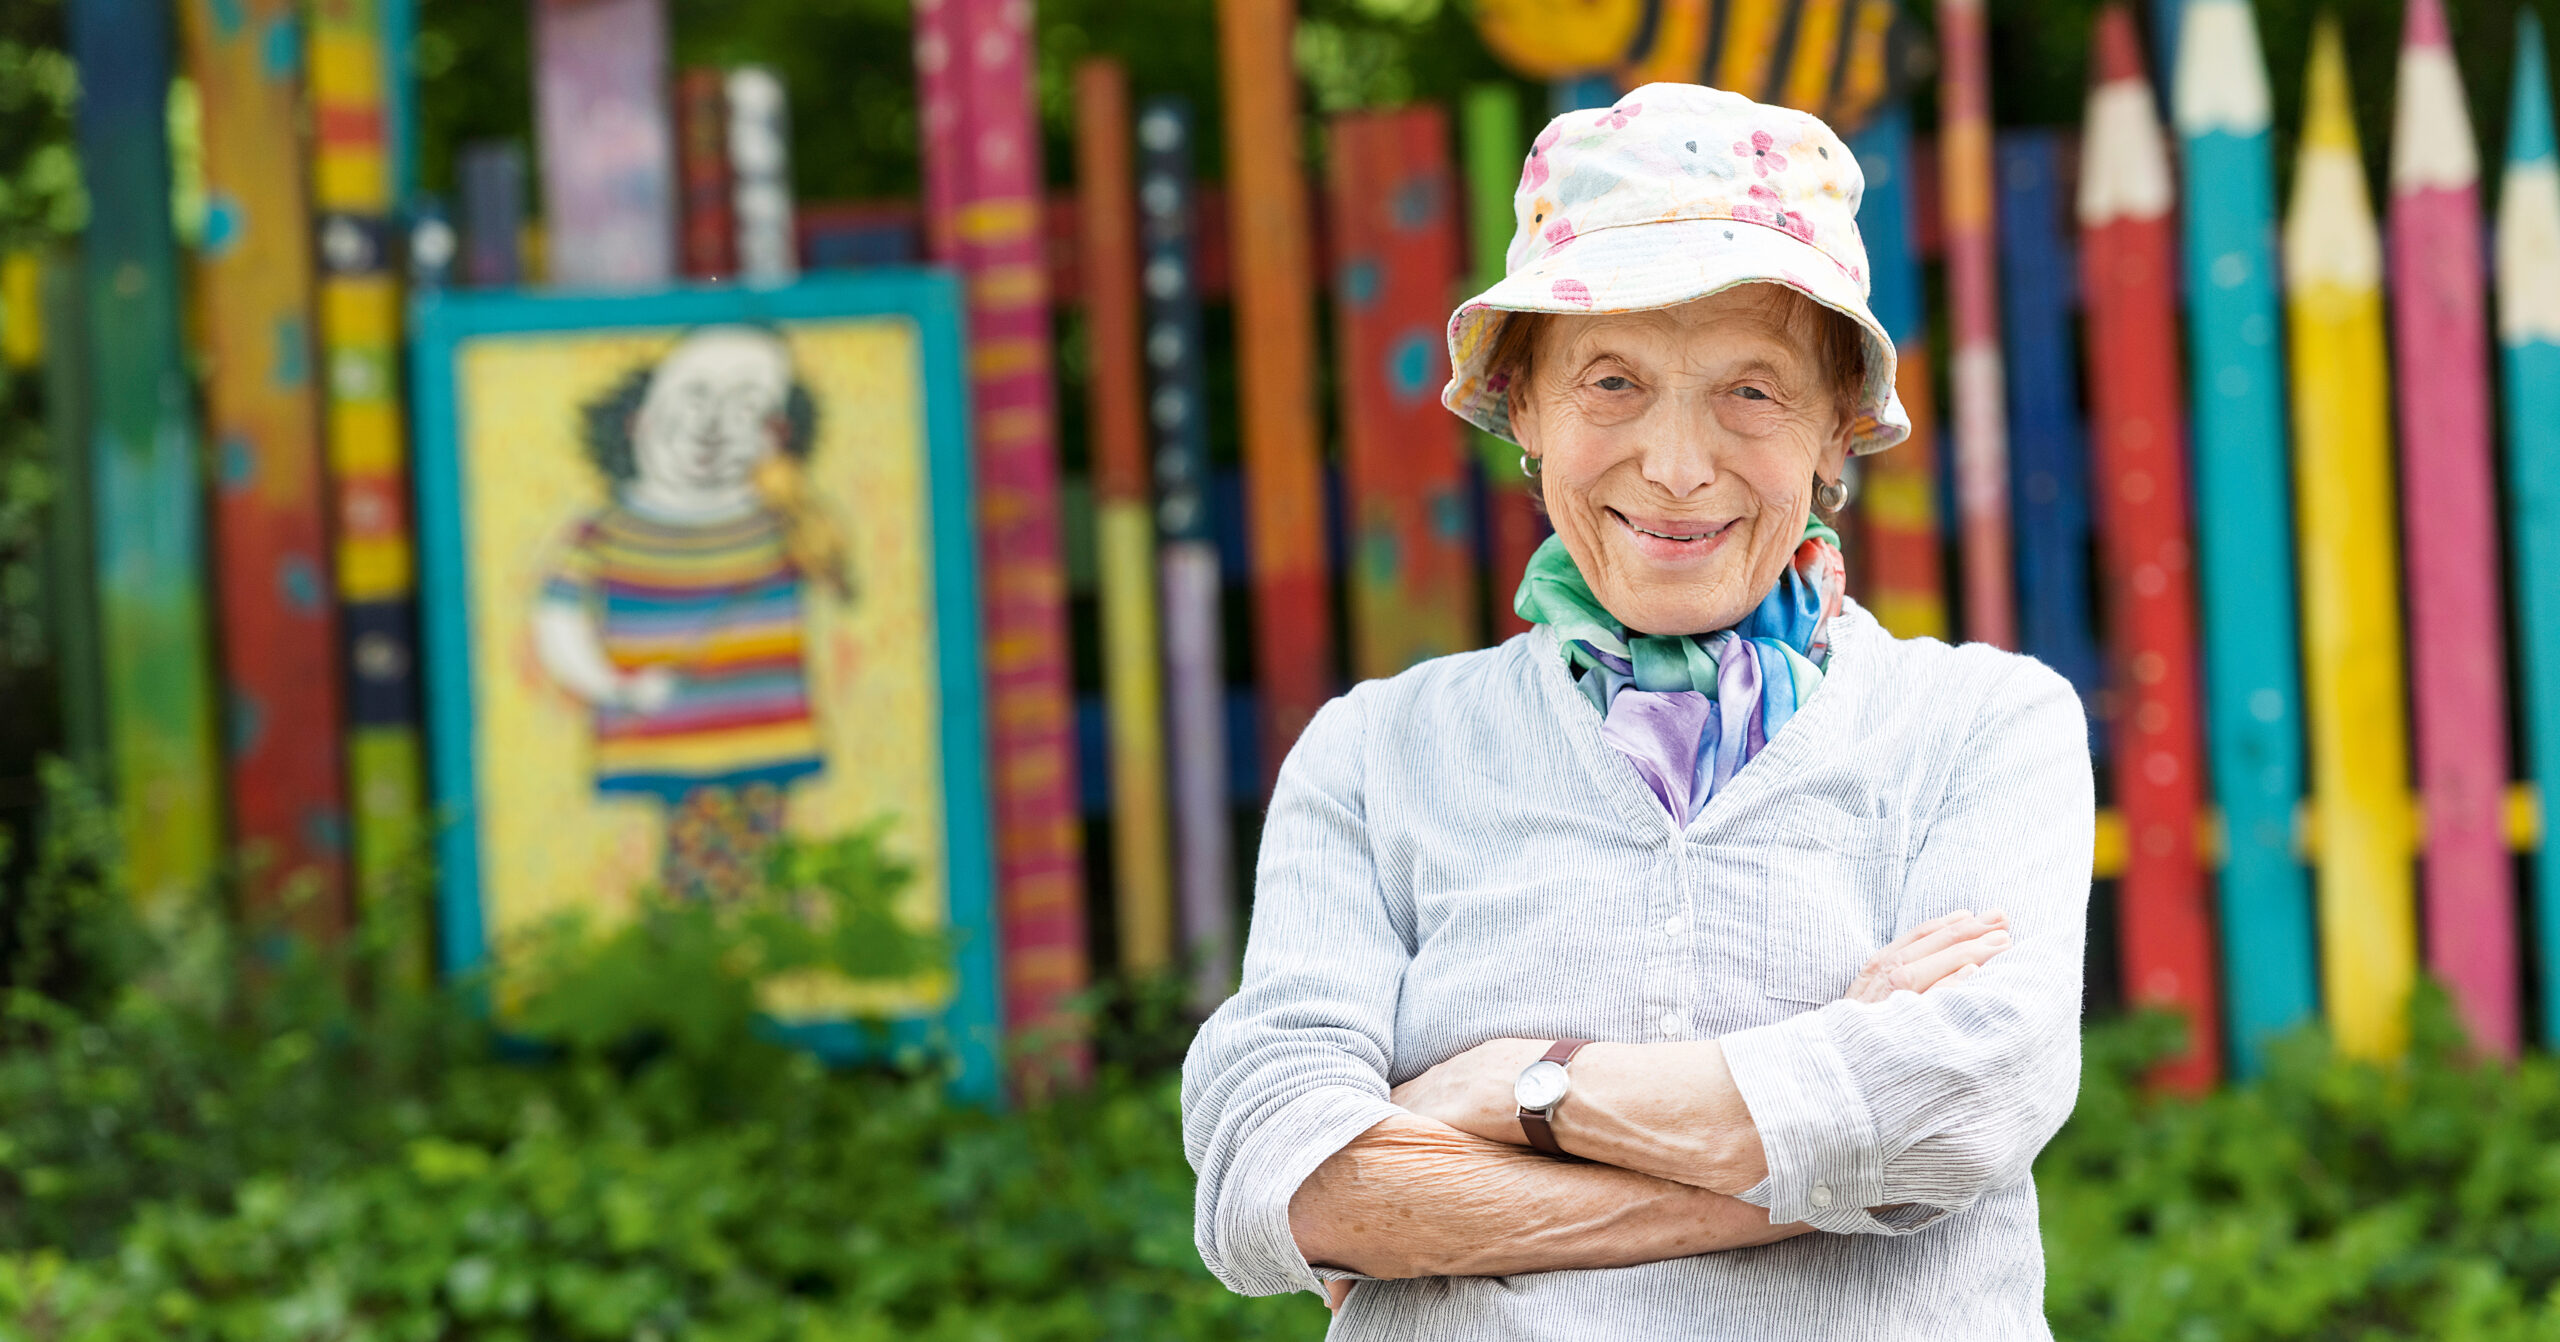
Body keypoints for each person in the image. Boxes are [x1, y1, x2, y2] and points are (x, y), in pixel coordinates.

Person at [1181, 83, 2093, 1338]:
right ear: (1526, 410)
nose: (1674, 466)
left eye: (1753, 392)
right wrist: (1822, 1131)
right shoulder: (1374, 752)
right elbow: (1273, 1177)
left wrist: (1519, 1091)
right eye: (1610, 382)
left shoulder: (1982, 725)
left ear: (1838, 432)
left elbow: (1964, 1103)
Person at [534, 324, 852, 898]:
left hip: (763, 730)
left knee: (763, 858)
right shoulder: (605, 532)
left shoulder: (779, 521)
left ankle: (750, 939)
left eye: (747, 411)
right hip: (667, 732)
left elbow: (841, 583)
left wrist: (799, 506)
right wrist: (616, 687)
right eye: (696, 400)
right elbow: (558, 619)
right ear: (638, 420)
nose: (714, 428)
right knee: (700, 865)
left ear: (779, 435)